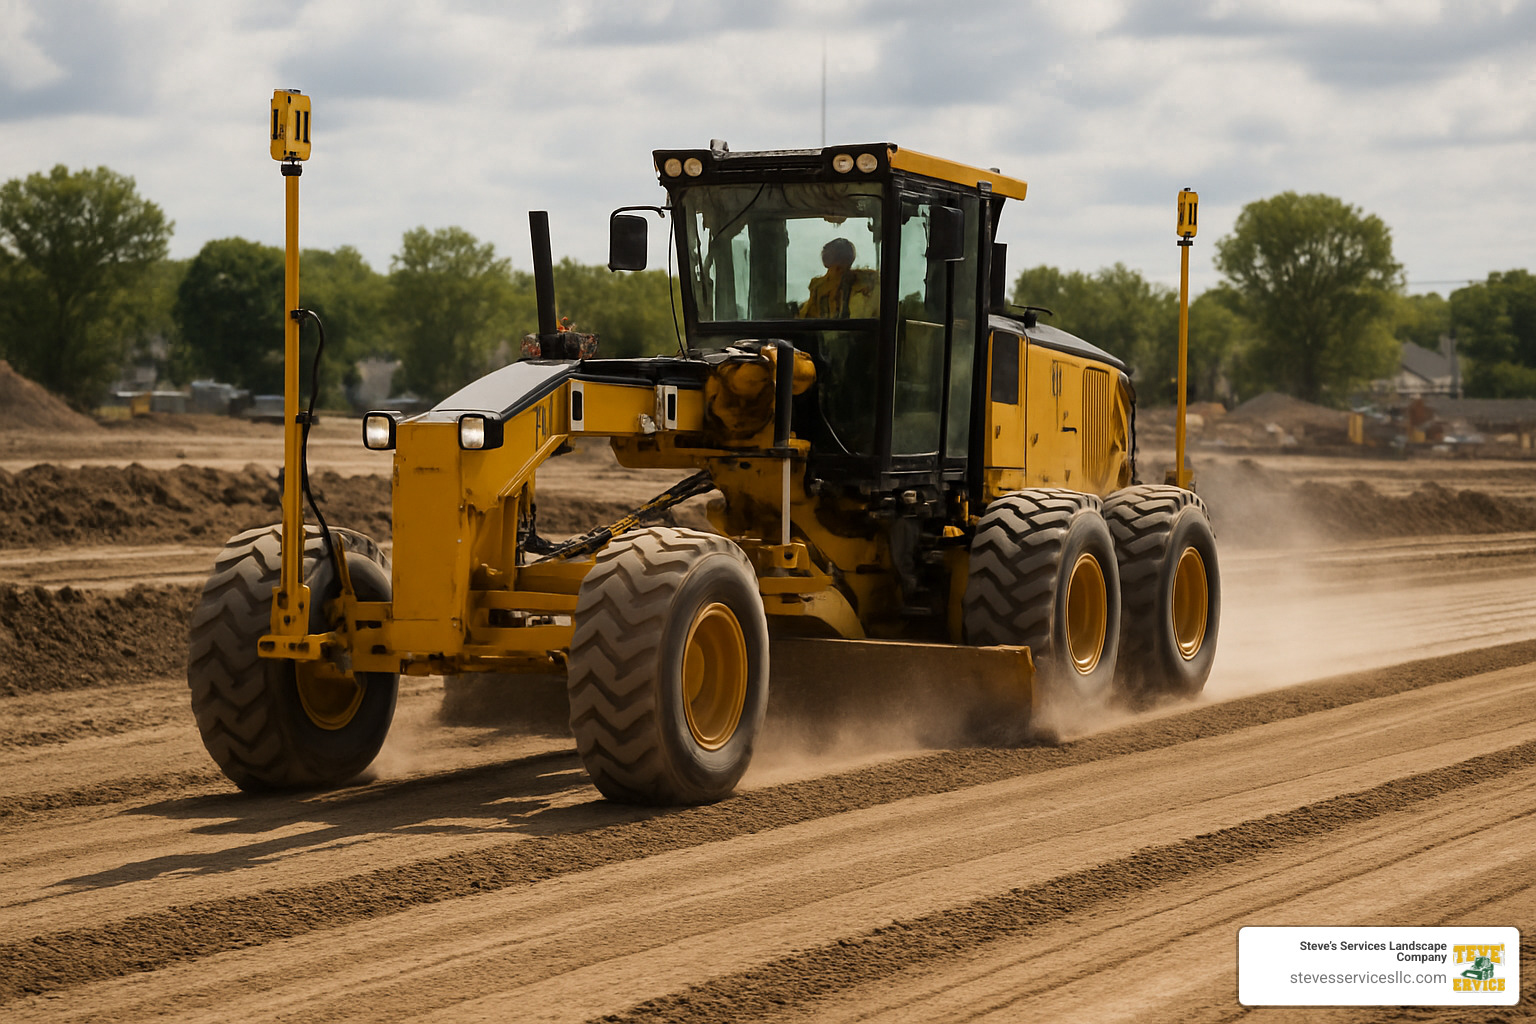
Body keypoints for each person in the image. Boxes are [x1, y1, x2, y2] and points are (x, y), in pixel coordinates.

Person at [798, 237, 878, 318]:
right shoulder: (819, 289)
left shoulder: (868, 287)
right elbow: (807, 317)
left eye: (841, 266)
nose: (839, 272)